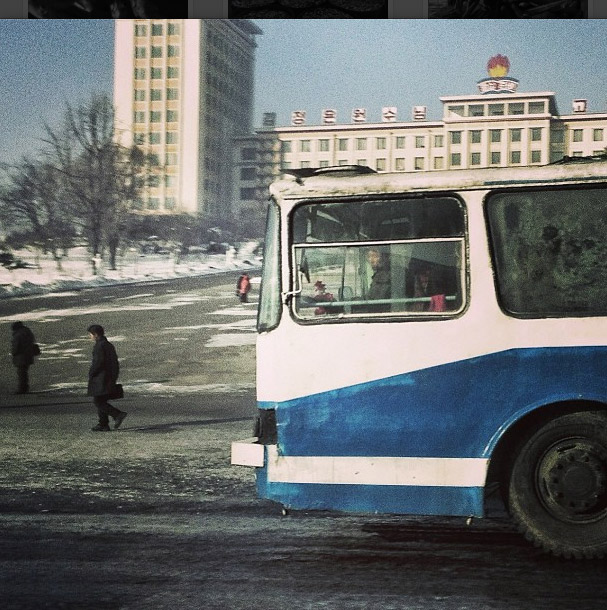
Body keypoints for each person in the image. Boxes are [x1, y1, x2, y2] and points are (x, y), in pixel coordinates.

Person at [87, 324, 127, 432]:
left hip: (101, 378)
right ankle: (103, 424)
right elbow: (115, 362)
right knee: (101, 400)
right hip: (108, 377)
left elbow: (98, 363)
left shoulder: (100, 346)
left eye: (90, 335)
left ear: (95, 335)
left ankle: (117, 414)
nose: (90, 337)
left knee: (98, 401)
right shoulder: (108, 345)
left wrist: (91, 373)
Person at [11, 321, 37, 394]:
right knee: (24, 373)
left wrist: (13, 353)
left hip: (21, 357)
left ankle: (22, 389)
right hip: (28, 355)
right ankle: (25, 388)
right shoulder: (28, 332)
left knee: (21, 373)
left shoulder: (18, 335)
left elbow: (15, 347)